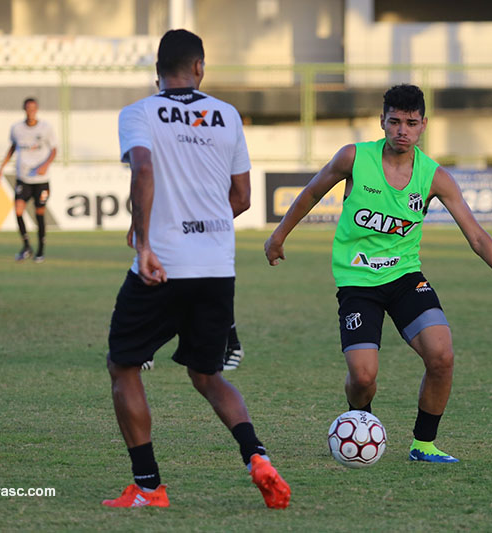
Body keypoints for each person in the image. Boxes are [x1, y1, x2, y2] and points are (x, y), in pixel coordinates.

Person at [264, 84, 492, 463]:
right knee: (363, 377)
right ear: (381, 121)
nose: (403, 130)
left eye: (411, 123)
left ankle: (424, 445)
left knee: (442, 356)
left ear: (423, 126)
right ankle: (361, 419)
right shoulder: (353, 158)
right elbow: (311, 194)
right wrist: (279, 235)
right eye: (395, 121)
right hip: (358, 281)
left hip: (405, 278)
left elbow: (477, 237)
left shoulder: (434, 177)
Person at [103, 29, 290, 509]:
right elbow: (243, 197)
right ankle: (258, 458)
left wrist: (145, 239)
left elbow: (143, 170)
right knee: (207, 376)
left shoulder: (140, 112)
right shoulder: (226, 115)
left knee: (124, 366)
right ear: (200, 67)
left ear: (158, 70)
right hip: (215, 268)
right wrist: (203, 232)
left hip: (162, 264)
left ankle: (149, 487)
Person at [0, 97, 57, 263]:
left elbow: (54, 150)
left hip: (41, 179)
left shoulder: (46, 128)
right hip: (23, 177)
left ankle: (41, 251)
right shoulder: (16, 129)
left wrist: (46, 164)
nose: (30, 111)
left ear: (36, 110)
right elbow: (13, 148)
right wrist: (2, 168)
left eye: (33, 108)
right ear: (24, 109)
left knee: (39, 213)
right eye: (28, 108)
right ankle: (27, 246)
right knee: (18, 210)